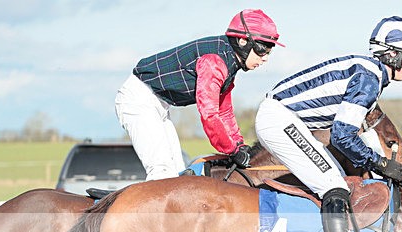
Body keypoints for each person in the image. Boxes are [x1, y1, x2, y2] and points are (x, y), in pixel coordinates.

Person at [255, 16, 402, 232]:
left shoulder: (369, 73)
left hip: (285, 118)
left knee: (340, 184)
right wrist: (380, 162)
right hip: (279, 120)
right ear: (393, 54)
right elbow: (342, 135)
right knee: (334, 185)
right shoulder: (368, 79)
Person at [115, 9, 282, 181]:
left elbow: (224, 111)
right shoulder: (214, 62)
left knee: (180, 173)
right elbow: (209, 115)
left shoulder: (229, 64)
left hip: (159, 105)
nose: (265, 58)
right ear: (242, 41)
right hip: (138, 99)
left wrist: (238, 145)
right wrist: (231, 150)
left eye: (269, 51)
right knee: (162, 172)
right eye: (262, 50)